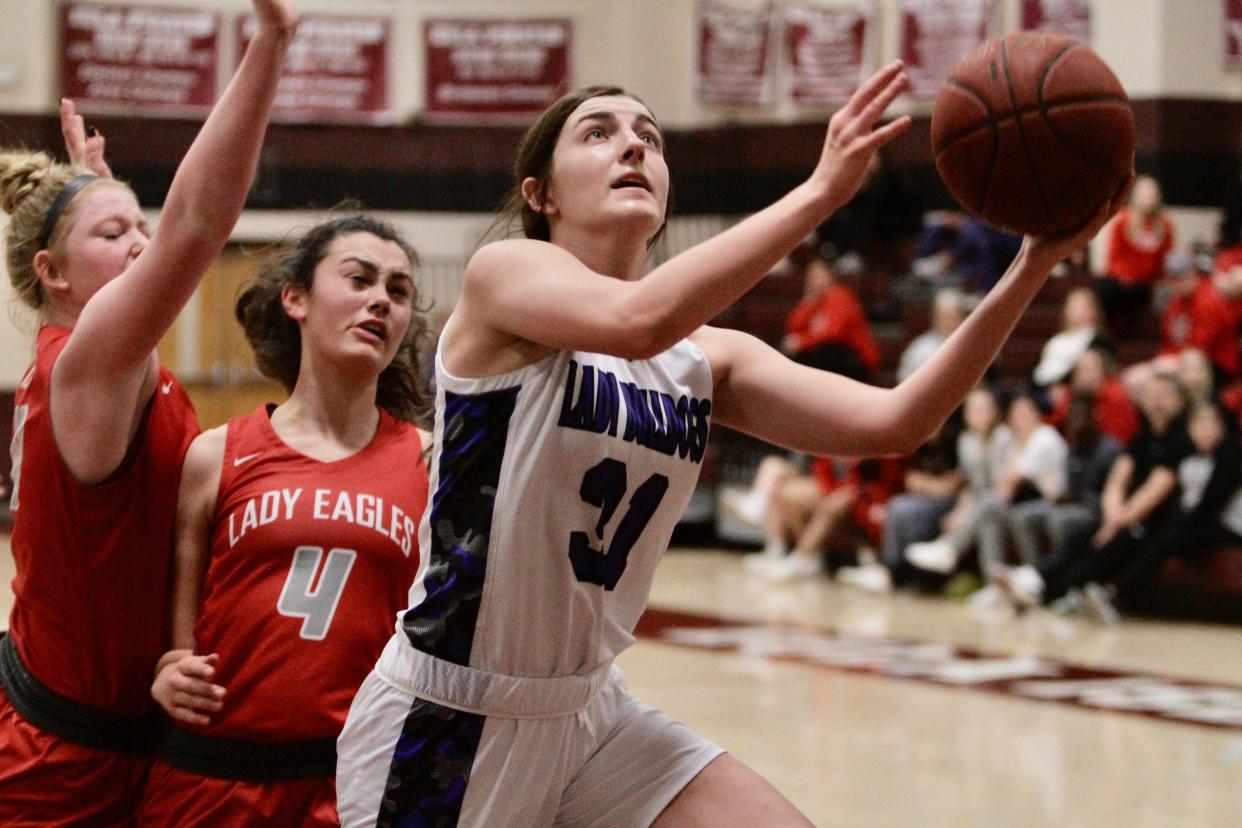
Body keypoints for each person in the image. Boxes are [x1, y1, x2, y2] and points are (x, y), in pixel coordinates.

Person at [336, 63, 1124, 826]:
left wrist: (1032, 265)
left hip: (590, 714)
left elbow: (899, 422)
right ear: (541, 195)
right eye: (599, 133)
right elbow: (636, 317)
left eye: (648, 134)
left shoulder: (706, 360)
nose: (634, 145)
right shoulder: (503, 275)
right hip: (450, 713)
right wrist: (819, 193)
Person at [0, 3, 294, 823]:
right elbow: (200, 223)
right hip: (61, 761)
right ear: (51, 273)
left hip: (115, 734)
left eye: (142, 227)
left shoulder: (110, 363)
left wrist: (89, 189)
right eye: (114, 234)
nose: (140, 244)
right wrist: (269, 44)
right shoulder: (91, 359)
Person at [137, 215, 431, 826]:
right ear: (295, 298)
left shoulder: (432, 460)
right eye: (359, 278)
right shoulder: (217, 453)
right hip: (212, 777)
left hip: (351, 783)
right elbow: (177, 633)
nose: (380, 298)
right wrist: (169, 670)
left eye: (398, 291)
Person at [996, 371, 1192, 619]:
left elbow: (1156, 489)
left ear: (1179, 401)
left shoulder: (1181, 440)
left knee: (1106, 546)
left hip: (1157, 524)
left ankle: (1047, 591)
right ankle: (1034, 578)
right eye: (1151, 395)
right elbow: (1117, 480)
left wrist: (1117, 522)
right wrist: (1112, 516)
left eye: (1163, 396)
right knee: (1083, 533)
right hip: (1123, 516)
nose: (1156, 402)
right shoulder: (1142, 437)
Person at [781, 251, 879, 381]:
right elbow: (793, 328)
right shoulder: (814, 301)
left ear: (830, 275)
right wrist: (807, 302)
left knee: (825, 350)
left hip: (854, 360)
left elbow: (833, 333)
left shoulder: (839, 295)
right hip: (831, 360)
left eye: (818, 274)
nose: (814, 280)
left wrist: (802, 342)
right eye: (811, 276)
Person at [1098, 175, 1174, 333]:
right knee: (1107, 288)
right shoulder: (1122, 222)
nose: (1148, 198)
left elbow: (1167, 259)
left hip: (1148, 283)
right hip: (1123, 280)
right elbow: (1114, 257)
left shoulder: (1165, 225)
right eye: (1145, 194)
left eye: (1152, 194)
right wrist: (1126, 277)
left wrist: (1157, 279)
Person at [1031, 286, 1107, 388]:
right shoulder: (1056, 341)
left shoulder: (1099, 342)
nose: (1077, 311)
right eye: (1074, 306)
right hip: (1043, 388)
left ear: (1093, 310)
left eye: (1082, 306)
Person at [896, 286, 969, 382]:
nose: (946, 321)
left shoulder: (970, 343)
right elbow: (904, 381)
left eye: (951, 316)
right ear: (934, 317)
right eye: (942, 316)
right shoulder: (920, 348)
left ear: (961, 317)